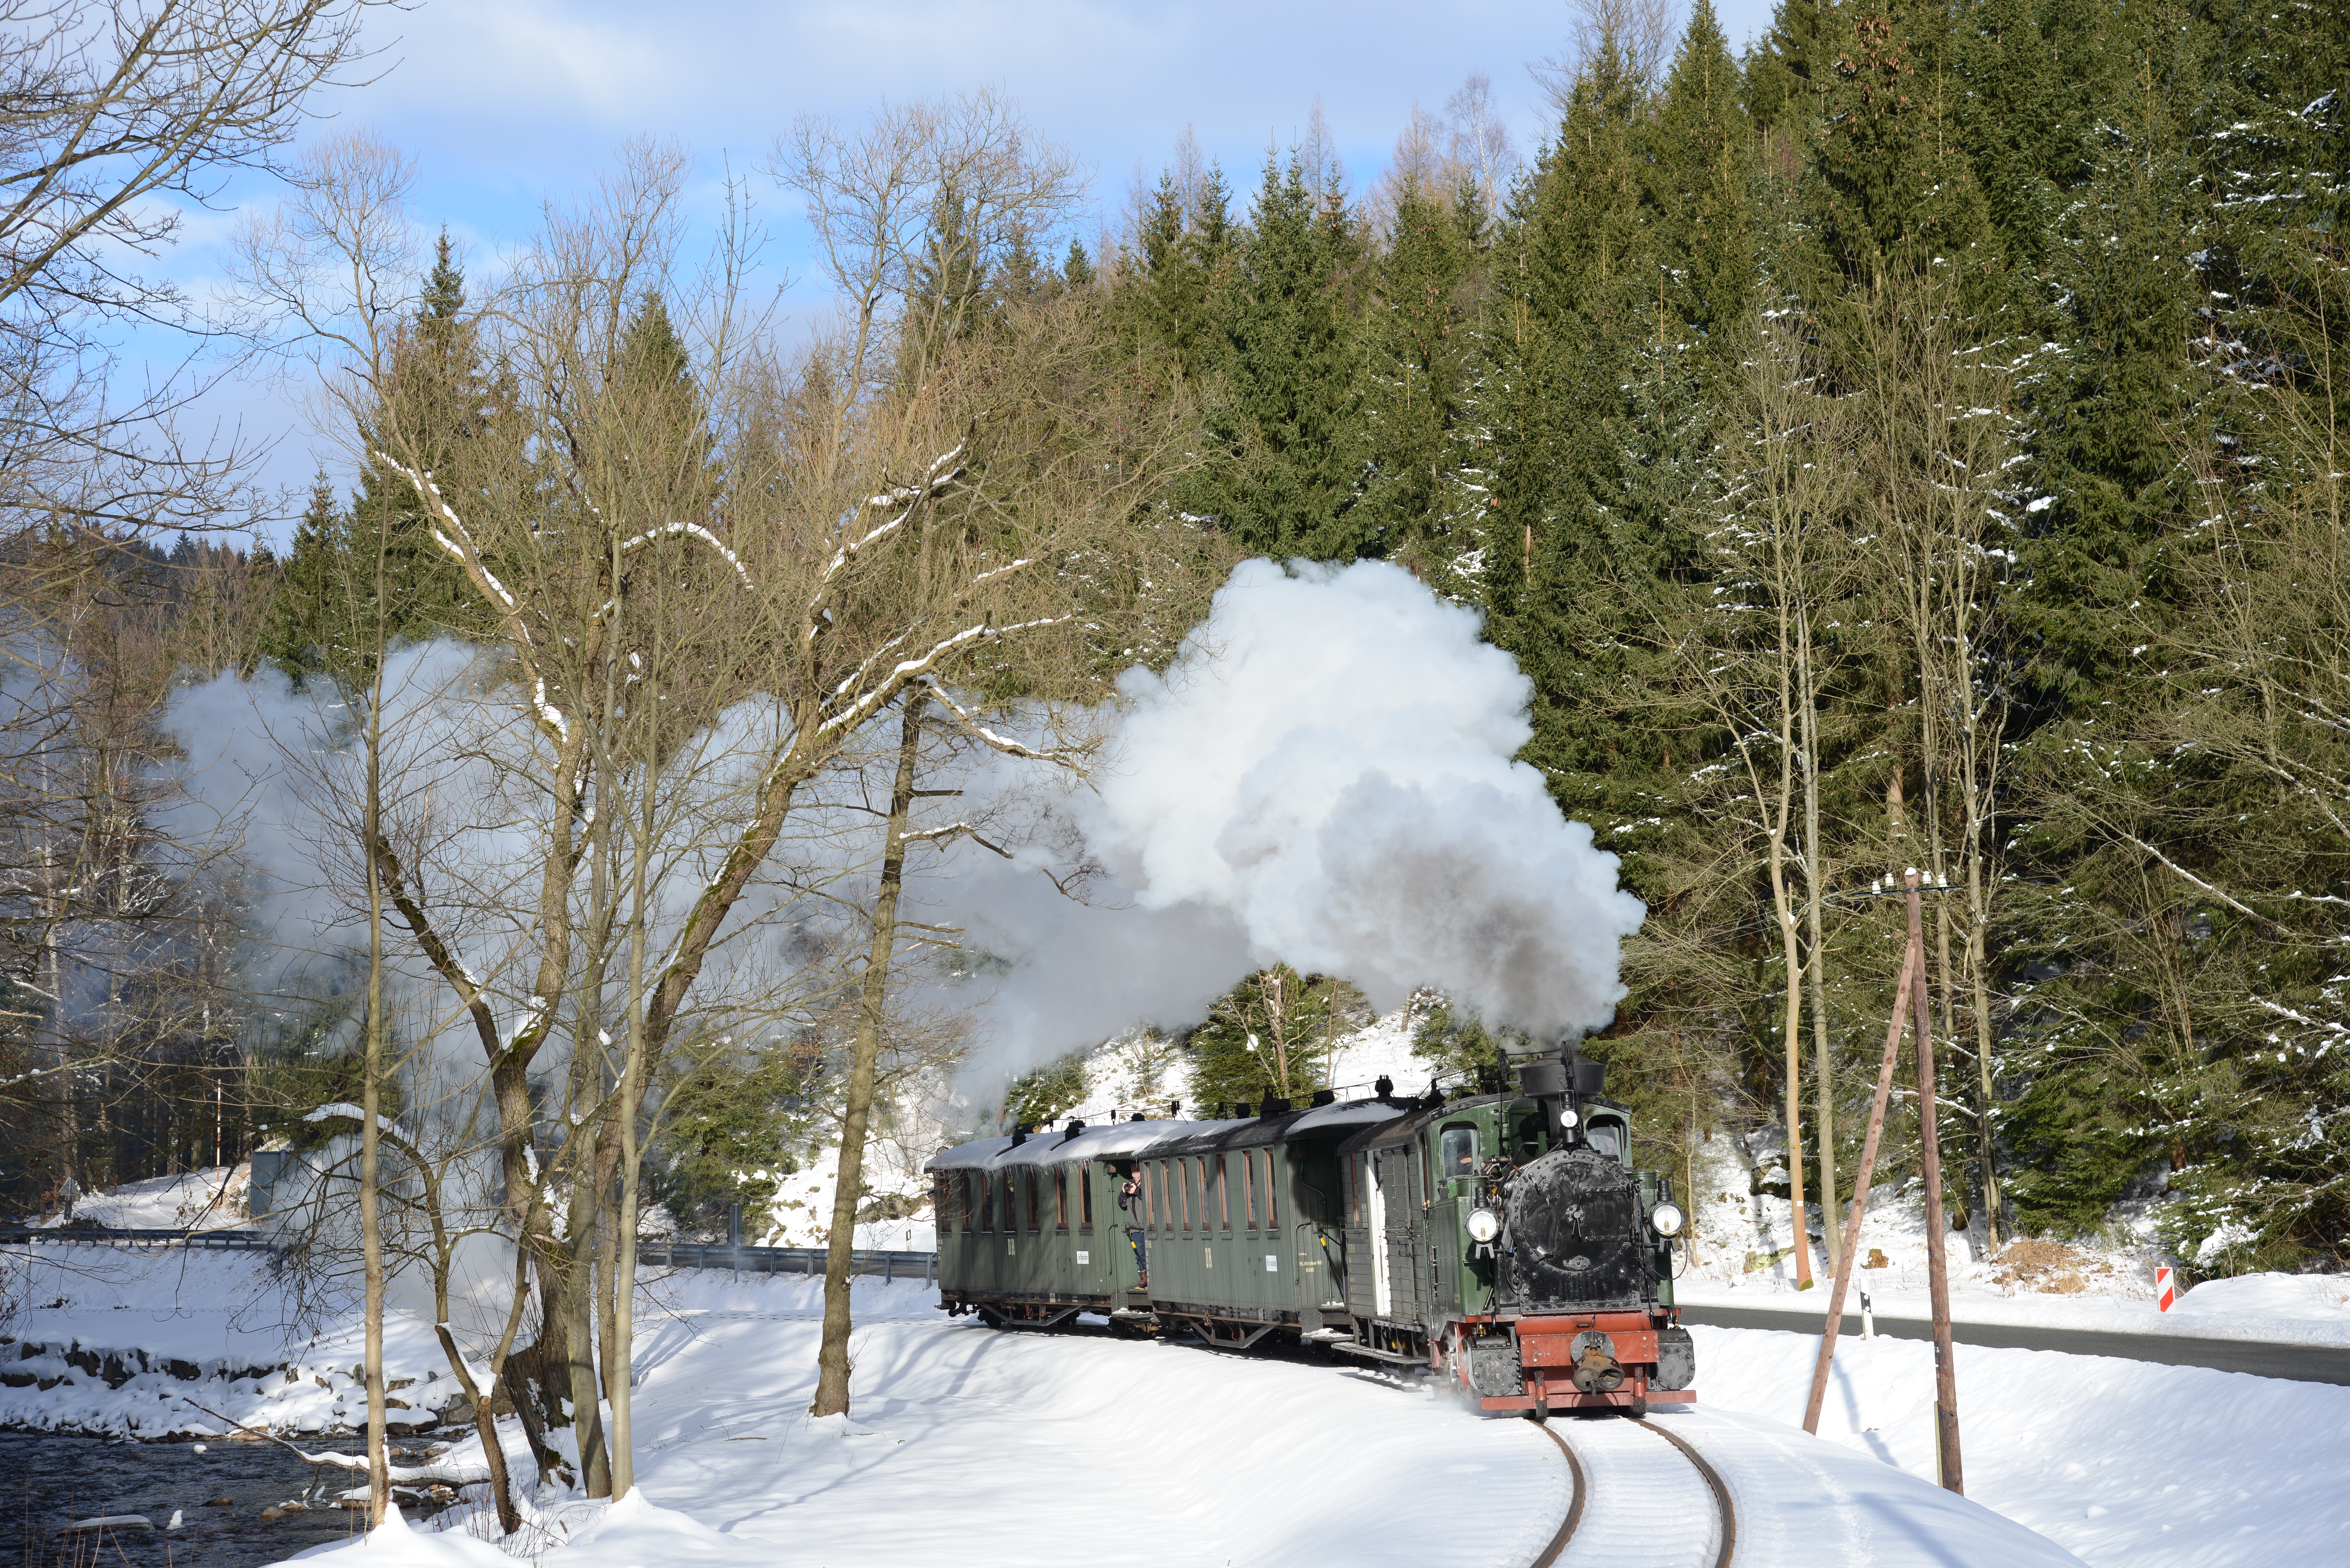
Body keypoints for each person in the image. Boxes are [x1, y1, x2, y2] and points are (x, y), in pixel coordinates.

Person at [1119, 1170, 1148, 1285]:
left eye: (1138, 1169)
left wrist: (1137, 1192)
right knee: (1139, 1255)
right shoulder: (1129, 1186)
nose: (1136, 1172)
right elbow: (1122, 1204)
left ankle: (1153, 1278)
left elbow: (1149, 1199)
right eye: (1133, 1169)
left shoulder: (1147, 1184)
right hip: (1136, 1229)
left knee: (1150, 1254)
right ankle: (1144, 1277)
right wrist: (1124, 1193)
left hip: (1148, 1228)